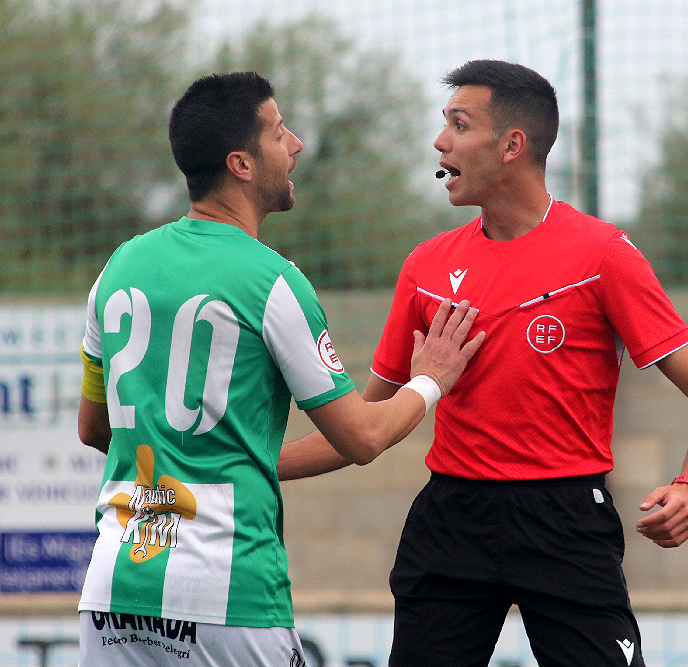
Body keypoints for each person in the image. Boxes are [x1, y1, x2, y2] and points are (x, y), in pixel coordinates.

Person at [278, 60, 688, 667]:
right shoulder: (426, 266)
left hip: (566, 522)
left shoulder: (602, 254)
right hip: (452, 520)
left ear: (512, 145)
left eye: (459, 125)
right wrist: (244, 465)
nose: (440, 141)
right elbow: (363, 427)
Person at [74, 71, 485, 667]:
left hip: (114, 590)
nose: (295, 145)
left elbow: (94, 428)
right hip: (226, 591)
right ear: (241, 164)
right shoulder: (272, 281)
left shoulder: (119, 267)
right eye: (279, 132)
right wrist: (431, 379)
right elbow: (363, 437)